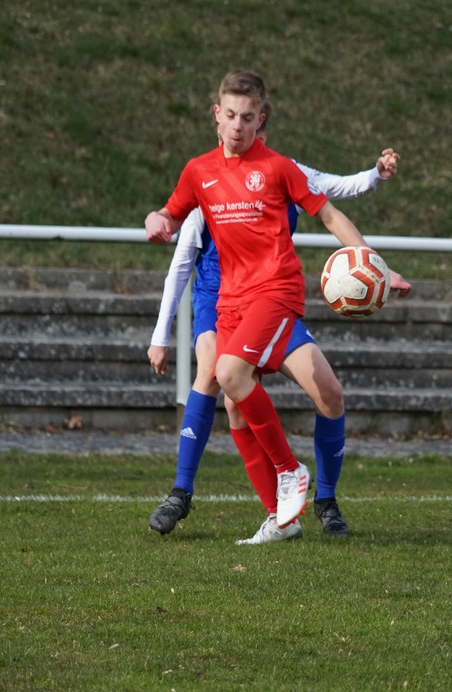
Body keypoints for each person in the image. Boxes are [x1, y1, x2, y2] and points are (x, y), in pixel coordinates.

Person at [145, 69, 412, 543]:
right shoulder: (199, 171)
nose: (237, 126)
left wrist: (374, 265)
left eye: (248, 118)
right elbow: (172, 212)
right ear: (216, 115)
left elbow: (330, 213)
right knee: (270, 400)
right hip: (231, 302)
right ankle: (280, 518)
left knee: (229, 376)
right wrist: (158, 218)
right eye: (230, 115)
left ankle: (300, 479)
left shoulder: (279, 168)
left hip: (275, 292)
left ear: (261, 119)